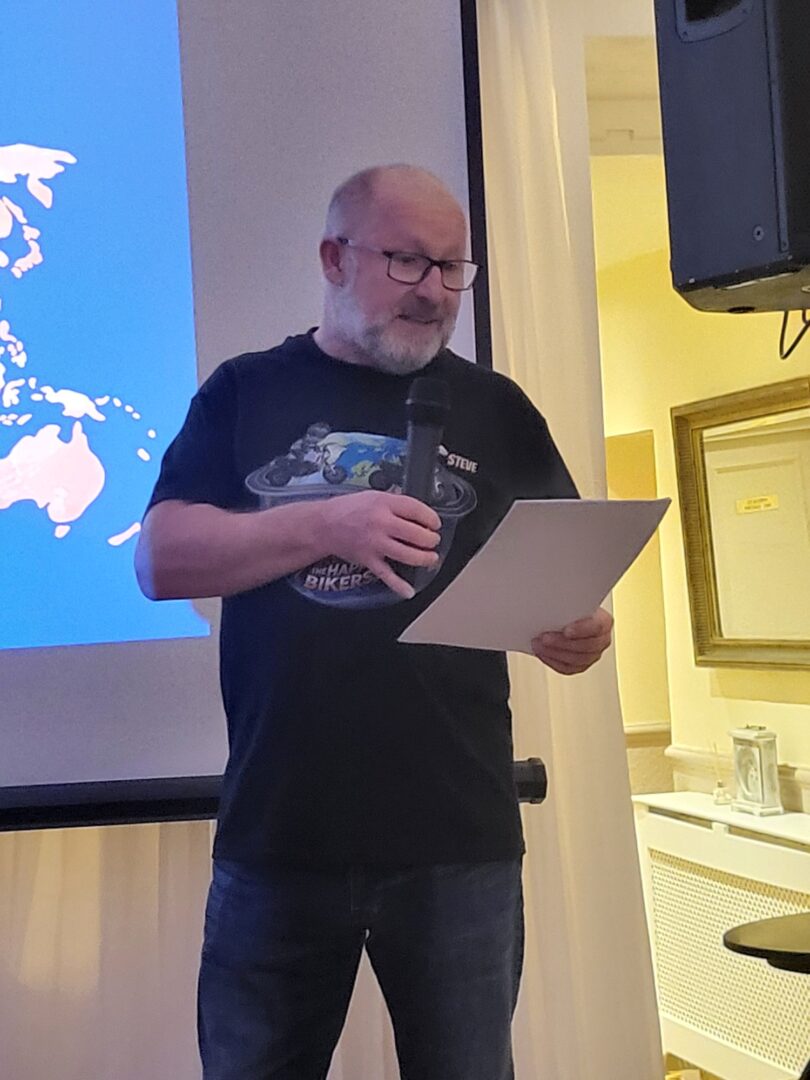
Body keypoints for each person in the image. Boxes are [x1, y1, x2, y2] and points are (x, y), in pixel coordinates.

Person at [134, 164, 613, 1080]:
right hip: (283, 834)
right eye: (406, 261)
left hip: (458, 837)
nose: (433, 290)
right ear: (333, 257)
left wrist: (581, 629)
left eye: (451, 268)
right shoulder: (246, 391)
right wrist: (324, 523)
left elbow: (565, 575)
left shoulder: (499, 409)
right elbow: (161, 560)